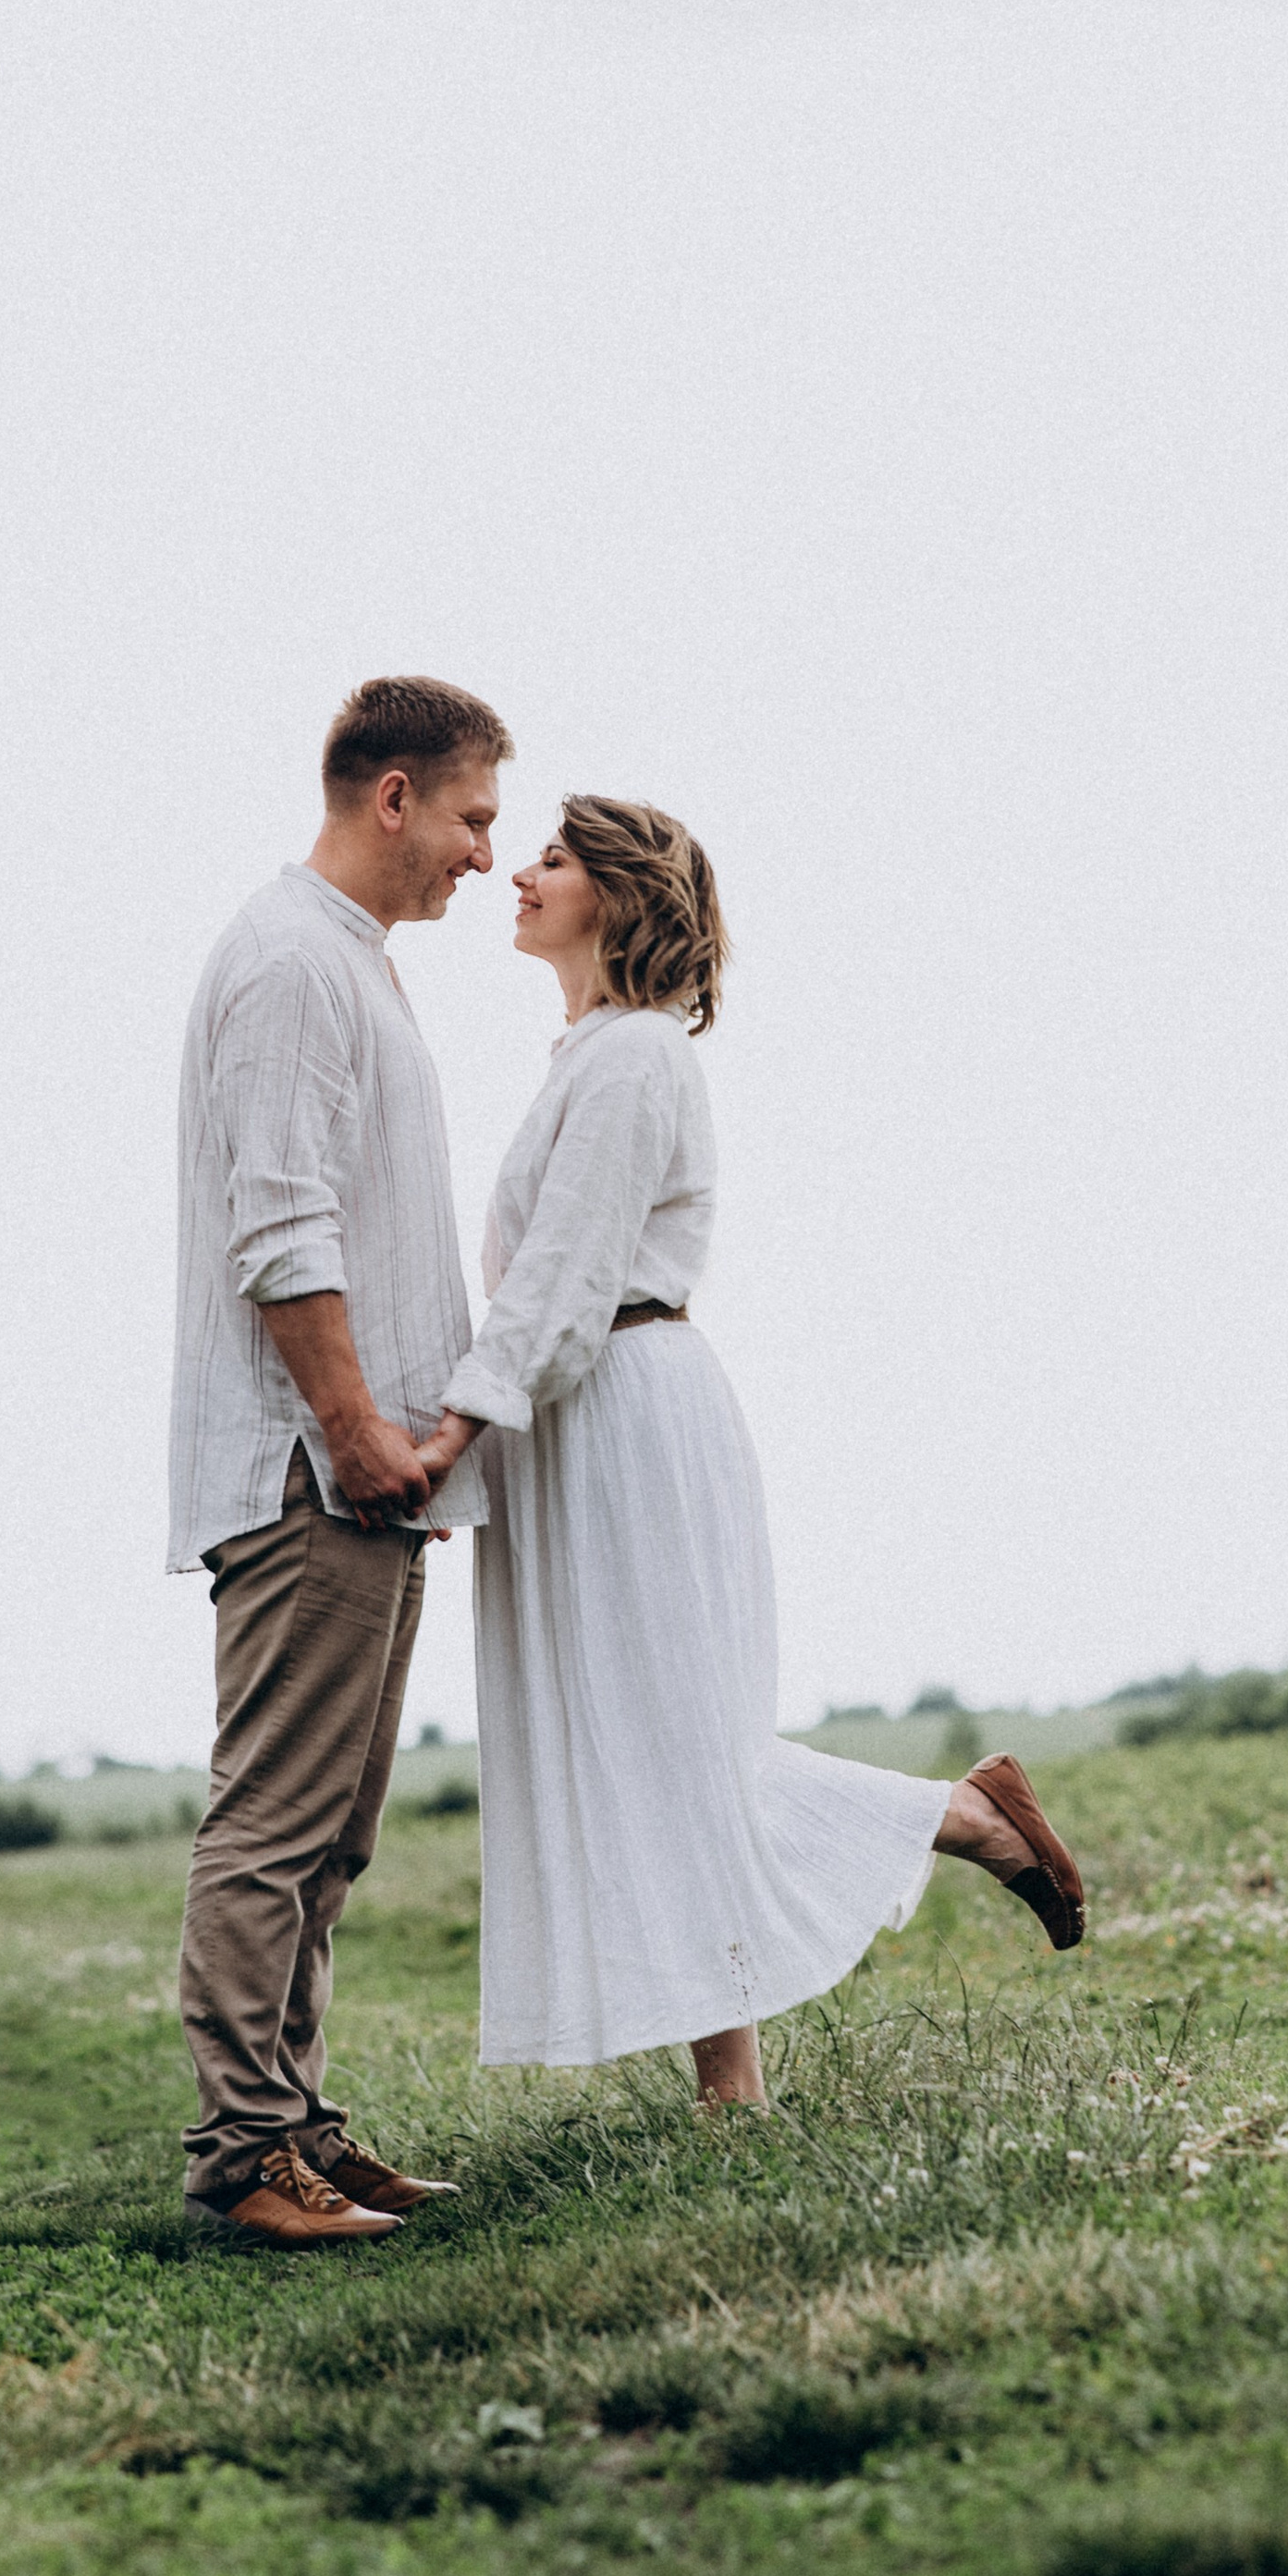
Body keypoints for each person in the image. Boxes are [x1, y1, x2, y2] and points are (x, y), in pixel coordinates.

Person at [411, 796, 1085, 2103]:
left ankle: (967, 1822)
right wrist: (481, 1448)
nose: (518, 875)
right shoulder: (591, 1056)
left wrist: (450, 1441)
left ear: (620, 892)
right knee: (635, 1753)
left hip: (622, 1410)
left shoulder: (635, 1059)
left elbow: (564, 1279)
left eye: (552, 858)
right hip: (573, 1415)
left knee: (677, 1747)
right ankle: (734, 2079)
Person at [168, 674, 512, 2243]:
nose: (486, 854)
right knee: (274, 1825)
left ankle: (298, 2122)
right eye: (472, 817)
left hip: (367, 1477)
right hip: (313, 1471)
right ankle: (246, 2160)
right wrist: (358, 1430)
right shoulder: (292, 961)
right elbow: (280, 1225)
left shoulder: (348, 959)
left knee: (334, 1831)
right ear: (394, 796)